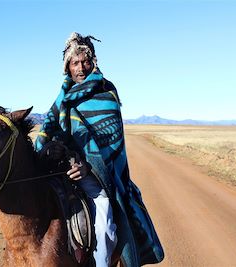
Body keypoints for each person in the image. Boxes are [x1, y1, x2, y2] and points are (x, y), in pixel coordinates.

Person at [35, 32, 164, 266]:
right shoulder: (62, 98)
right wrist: (51, 149)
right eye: (75, 63)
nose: (81, 67)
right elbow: (50, 130)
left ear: (93, 61)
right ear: (68, 67)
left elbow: (109, 143)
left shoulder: (106, 93)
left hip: (94, 173)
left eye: (85, 61)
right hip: (62, 167)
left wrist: (87, 168)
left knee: (103, 213)